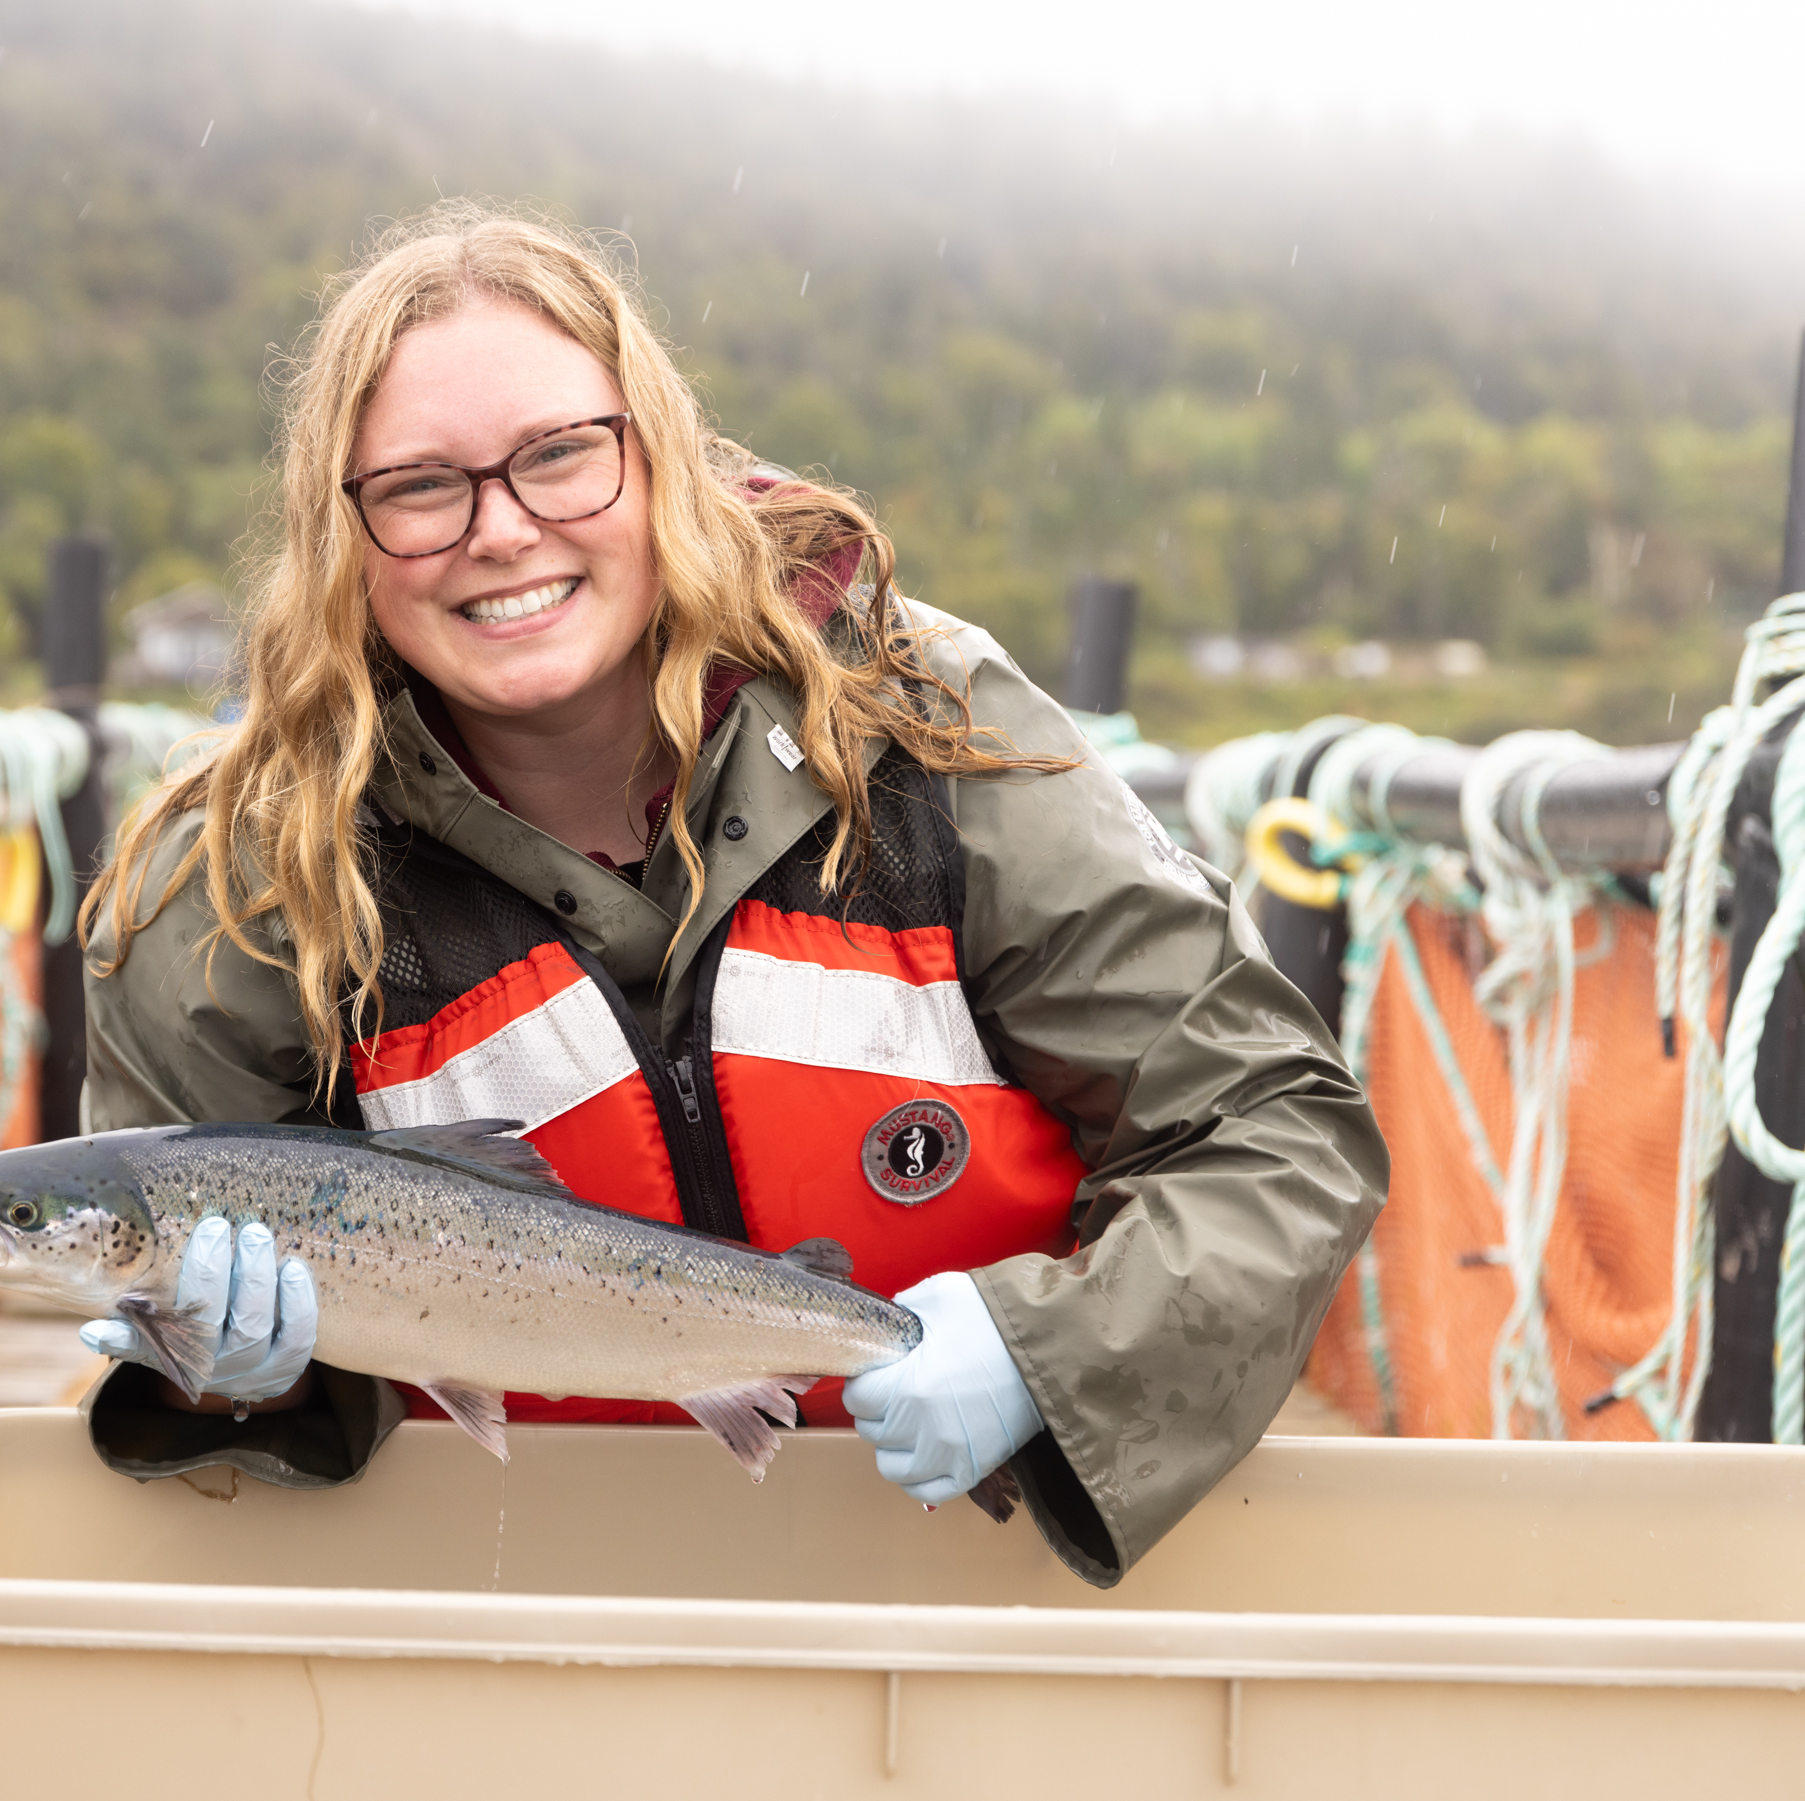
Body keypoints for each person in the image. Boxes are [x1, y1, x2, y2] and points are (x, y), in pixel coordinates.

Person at [72, 202, 1385, 1587]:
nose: (501, 530)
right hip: (520, 1622)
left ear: (660, 459)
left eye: (560, 456)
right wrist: (219, 1380)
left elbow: (1277, 1131)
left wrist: (1052, 1352)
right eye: (417, 487)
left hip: (985, 1590)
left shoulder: (934, 731)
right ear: (341, 536)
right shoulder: (224, 890)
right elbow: (204, 1444)